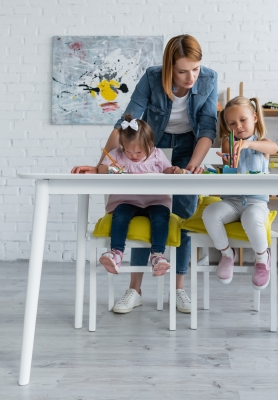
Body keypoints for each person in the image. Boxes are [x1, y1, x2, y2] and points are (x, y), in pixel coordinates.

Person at [72, 35, 218, 314]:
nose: (191, 78)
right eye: (182, 71)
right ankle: (135, 289)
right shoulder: (152, 78)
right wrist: (101, 164)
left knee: (184, 214)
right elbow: (127, 121)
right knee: (141, 204)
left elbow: (208, 127)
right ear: (168, 68)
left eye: (196, 69)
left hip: (190, 145)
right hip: (149, 143)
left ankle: (179, 289)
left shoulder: (209, 79)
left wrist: (190, 168)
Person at [98, 115, 181, 313]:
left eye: (139, 151)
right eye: (129, 151)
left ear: (149, 145)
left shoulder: (157, 154)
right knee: (120, 215)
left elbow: (168, 170)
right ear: (122, 146)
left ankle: (157, 256)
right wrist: (109, 168)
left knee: (162, 217)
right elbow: (101, 169)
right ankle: (116, 253)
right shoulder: (117, 155)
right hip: (126, 200)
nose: (133, 155)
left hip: (155, 201)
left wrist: (173, 171)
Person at [202, 96, 278, 290]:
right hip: (232, 201)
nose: (239, 126)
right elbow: (230, 163)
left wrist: (249, 144)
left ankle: (262, 258)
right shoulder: (228, 144)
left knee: (251, 218)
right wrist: (227, 159)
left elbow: (274, 148)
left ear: (254, 117)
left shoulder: (263, 144)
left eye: (243, 120)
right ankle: (227, 254)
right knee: (210, 213)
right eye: (232, 123)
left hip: (256, 202)